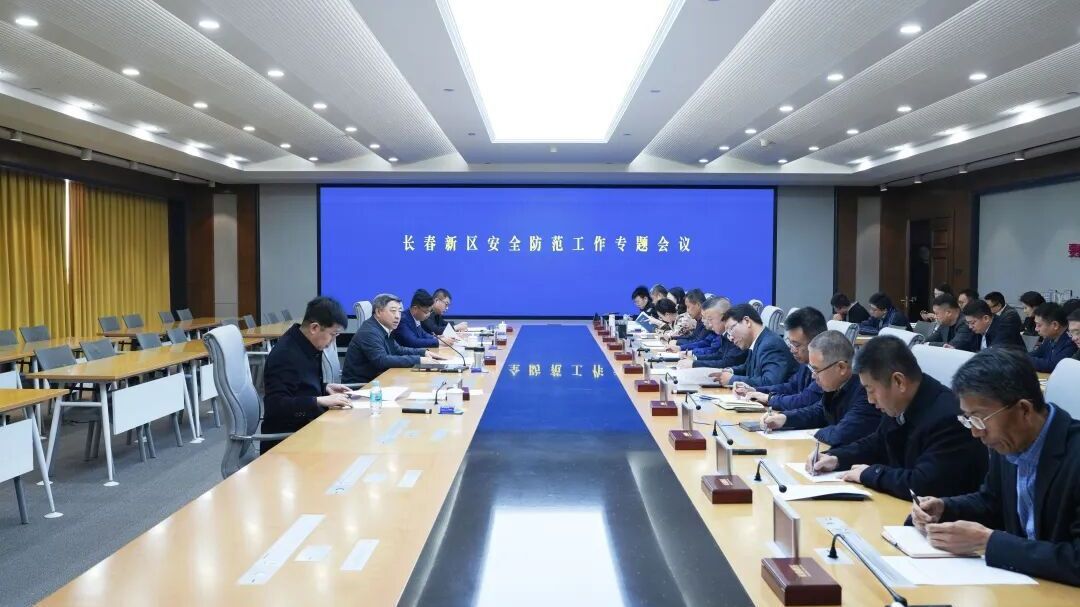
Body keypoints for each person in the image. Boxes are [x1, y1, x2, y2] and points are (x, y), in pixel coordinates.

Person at [911, 349, 1080, 586]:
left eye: (979, 418)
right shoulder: (1009, 440)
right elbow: (992, 502)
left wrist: (988, 542)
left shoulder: (1072, 454)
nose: (975, 432)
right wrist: (945, 508)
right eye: (968, 419)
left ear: (1024, 410)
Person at [807, 336, 987, 500]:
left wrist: (870, 473)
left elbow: (924, 484)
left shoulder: (948, 417)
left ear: (899, 382)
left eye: (871, 390)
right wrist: (836, 457)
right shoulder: (902, 402)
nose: (870, 400)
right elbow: (877, 442)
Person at [261, 296, 353, 453]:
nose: (333, 341)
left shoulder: (306, 344)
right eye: (333, 334)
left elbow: (299, 386)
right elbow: (276, 405)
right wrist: (319, 400)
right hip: (287, 441)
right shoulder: (285, 355)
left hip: (309, 426)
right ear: (314, 328)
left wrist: (325, 388)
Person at [762, 330, 882, 447]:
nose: (813, 376)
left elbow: (841, 434)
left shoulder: (866, 393)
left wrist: (814, 432)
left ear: (841, 367)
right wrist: (785, 418)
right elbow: (819, 412)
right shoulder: (836, 385)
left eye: (816, 370)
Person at [342, 293, 446, 384]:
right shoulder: (369, 332)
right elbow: (381, 360)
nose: (397, 316)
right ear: (378, 312)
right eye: (393, 311)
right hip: (361, 388)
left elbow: (398, 349)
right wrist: (419, 360)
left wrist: (423, 353)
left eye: (399, 311)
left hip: (378, 380)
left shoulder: (384, 328)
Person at [743, 307, 828, 412]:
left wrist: (769, 399)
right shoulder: (805, 362)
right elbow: (791, 386)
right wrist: (756, 390)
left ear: (815, 342)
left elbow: (804, 400)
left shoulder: (826, 368)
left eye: (796, 345)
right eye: (790, 343)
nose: (792, 350)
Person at [709, 303, 797, 387]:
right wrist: (730, 371)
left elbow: (770, 382)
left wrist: (732, 379)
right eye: (728, 333)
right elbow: (748, 367)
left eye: (731, 329)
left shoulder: (770, 344)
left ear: (747, 321)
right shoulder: (758, 341)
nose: (730, 338)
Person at [676, 297, 747, 370]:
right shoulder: (723, 334)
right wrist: (694, 358)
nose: (709, 324)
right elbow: (719, 355)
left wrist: (694, 363)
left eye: (710, 319)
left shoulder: (736, 335)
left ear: (724, 317)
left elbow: (727, 363)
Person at [1029, 302, 1078, 372]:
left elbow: (1054, 365)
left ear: (1055, 325)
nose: (1036, 329)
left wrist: (1023, 359)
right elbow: (1037, 353)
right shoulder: (1050, 337)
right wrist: (1019, 356)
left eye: (1039, 325)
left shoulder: (1072, 340)